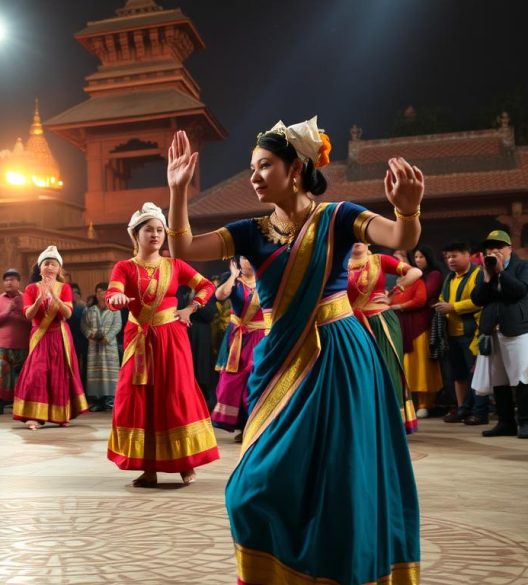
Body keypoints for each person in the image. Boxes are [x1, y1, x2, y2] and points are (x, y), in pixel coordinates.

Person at [166, 118, 420, 584]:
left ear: (296, 169)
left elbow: (400, 240)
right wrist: (178, 191)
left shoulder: (339, 217)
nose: (255, 176)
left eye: (264, 166)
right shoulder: (249, 231)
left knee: (338, 479)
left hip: (340, 358)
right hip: (279, 360)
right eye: (252, 168)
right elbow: (181, 245)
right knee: (252, 488)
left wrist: (408, 210)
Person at [105, 203, 218, 486]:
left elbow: (207, 286)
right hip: (139, 339)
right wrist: (116, 299)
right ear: (135, 234)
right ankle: (149, 468)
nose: (155, 235)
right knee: (140, 398)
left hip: (172, 337)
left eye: (159, 230)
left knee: (175, 393)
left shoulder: (175, 265)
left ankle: (186, 463)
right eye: (149, 230)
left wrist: (191, 309)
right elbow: (113, 292)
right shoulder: (124, 267)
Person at [348, 242, 422, 433]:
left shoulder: (379, 260)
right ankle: (365, 422)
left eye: (360, 236)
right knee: (357, 372)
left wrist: (394, 294)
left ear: (367, 240)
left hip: (381, 321)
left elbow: (415, 273)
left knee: (387, 369)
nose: (356, 240)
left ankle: (392, 423)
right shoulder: (339, 263)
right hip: (352, 323)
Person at [12, 246, 89, 430]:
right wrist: (39, 299)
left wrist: (54, 295)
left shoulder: (65, 288)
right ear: (40, 268)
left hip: (60, 335)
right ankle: (34, 416)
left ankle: (60, 415)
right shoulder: (31, 289)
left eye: (53, 264)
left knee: (59, 373)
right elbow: (29, 315)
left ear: (59, 269)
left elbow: (68, 314)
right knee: (36, 373)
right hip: (40, 335)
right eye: (46, 263)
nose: (49, 267)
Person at [471, 230, 528, 438]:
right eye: (490, 247)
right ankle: (506, 423)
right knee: (499, 379)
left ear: (509, 248)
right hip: (492, 331)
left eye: (499, 247)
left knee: (522, 377)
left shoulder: (522, 266)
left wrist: (501, 271)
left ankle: (525, 422)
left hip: (517, 330)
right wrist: (487, 278)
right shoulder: (484, 269)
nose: (494, 251)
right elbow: (477, 299)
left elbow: (520, 291)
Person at [211, 257, 269, 442]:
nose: (248, 261)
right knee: (232, 381)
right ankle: (241, 425)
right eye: (244, 257)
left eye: (250, 257)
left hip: (260, 336)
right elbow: (219, 296)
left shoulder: (267, 279)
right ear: (238, 261)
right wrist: (233, 276)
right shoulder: (234, 281)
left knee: (255, 379)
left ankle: (254, 426)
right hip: (237, 338)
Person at [434, 242, 488, 425]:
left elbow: (479, 301)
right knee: (458, 374)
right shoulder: (449, 277)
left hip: (472, 333)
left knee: (476, 373)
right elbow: (443, 298)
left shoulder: (478, 274)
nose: (450, 260)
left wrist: (452, 307)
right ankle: (463, 408)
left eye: (454, 256)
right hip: (452, 334)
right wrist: (441, 305)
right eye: (448, 257)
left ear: (467, 254)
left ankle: (480, 411)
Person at [390, 246, 443, 417]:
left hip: (420, 323)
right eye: (416, 257)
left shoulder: (423, 278)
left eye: (421, 256)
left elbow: (421, 299)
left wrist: (398, 305)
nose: (418, 260)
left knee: (421, 364)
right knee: (408, 365)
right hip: (404, 324)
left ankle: (426, 403)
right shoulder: (401, 281)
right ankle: (412, 403)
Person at [0, 268, 31, 415]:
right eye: (6, 280)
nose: (9, 282)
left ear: (19, 282)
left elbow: (32, 321)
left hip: (24, 344)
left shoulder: (27, 298)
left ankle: (22, 404)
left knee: (23, 376)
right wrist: (7, 311)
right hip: (2, 345)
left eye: (12, 279)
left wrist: (17, 312)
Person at [82, 282, 122, 412]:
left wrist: (108, 337)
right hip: (94, 346)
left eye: (104, 292)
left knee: (110, 373)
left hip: (108, 346)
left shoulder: (114, 308)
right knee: (95, 373)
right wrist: (90, 334)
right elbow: (84, 325)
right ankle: (97, 401)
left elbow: (117, 325)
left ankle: (110, 400)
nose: (101, 295)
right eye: (98, 292)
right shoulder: (90, 310)